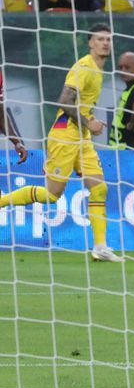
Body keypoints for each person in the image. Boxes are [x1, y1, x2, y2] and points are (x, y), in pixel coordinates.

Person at [0, 24, 121, 261]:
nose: (105, 43)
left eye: (108, 39)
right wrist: (88, 122)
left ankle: (100, 247)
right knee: (52, 195)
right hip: (65, 136)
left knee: (99, 188)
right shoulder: (84, 67)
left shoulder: (98, 69)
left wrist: (88, 122)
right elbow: (64, 101)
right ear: (90, 43)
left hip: (82, 139)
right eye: (100, 39)